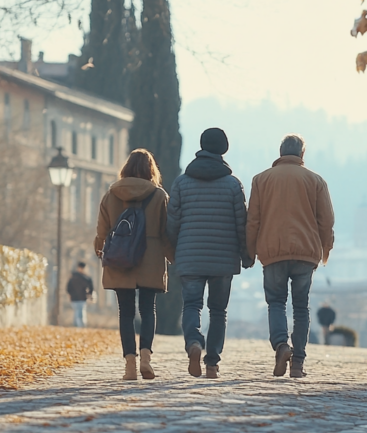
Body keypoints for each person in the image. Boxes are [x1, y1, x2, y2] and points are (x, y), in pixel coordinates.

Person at [246, 134, 334, 378]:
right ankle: (298, 364)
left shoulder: (261, 180)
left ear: (280, 152)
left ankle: (281, 346)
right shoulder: (316, 181)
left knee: (276, 302)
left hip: (272, 252)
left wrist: (250, 251)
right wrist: (325, 250)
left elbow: (253, 220)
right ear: (302, 155)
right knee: (301, 308)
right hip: (306, 254)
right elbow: (326, 221)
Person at [167, 128, 251, 379]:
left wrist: (174, 250)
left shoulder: (181, 182)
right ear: (223, 149)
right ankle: (212, 363)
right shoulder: (233, 185)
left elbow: (172, 221)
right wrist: (246, 254)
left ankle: (194, 342)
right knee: (218, 311)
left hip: (190, 256)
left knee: (192, 305)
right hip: (223, 260)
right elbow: (242, 224)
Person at [95, 148, 174, 381]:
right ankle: (146, 359)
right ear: (152, 171)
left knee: (125, 312)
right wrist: (172, 256)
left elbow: (101, 230)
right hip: (150, 257)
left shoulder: (111, 195)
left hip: (120, 257)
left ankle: (130, 365)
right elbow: (166, 231)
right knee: (148, 309)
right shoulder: (159, 196)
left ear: (126, 169)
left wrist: (100, 250)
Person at [66, 262, 94, 328]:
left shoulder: (73, 276)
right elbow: (91, 288)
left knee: (77, 312)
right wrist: (89, 295)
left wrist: (89, 295)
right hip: (78, 298)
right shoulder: (86, 278)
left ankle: (77, 325)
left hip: (80, 298)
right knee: (79, 312)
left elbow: (68, 287)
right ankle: (80, 326)